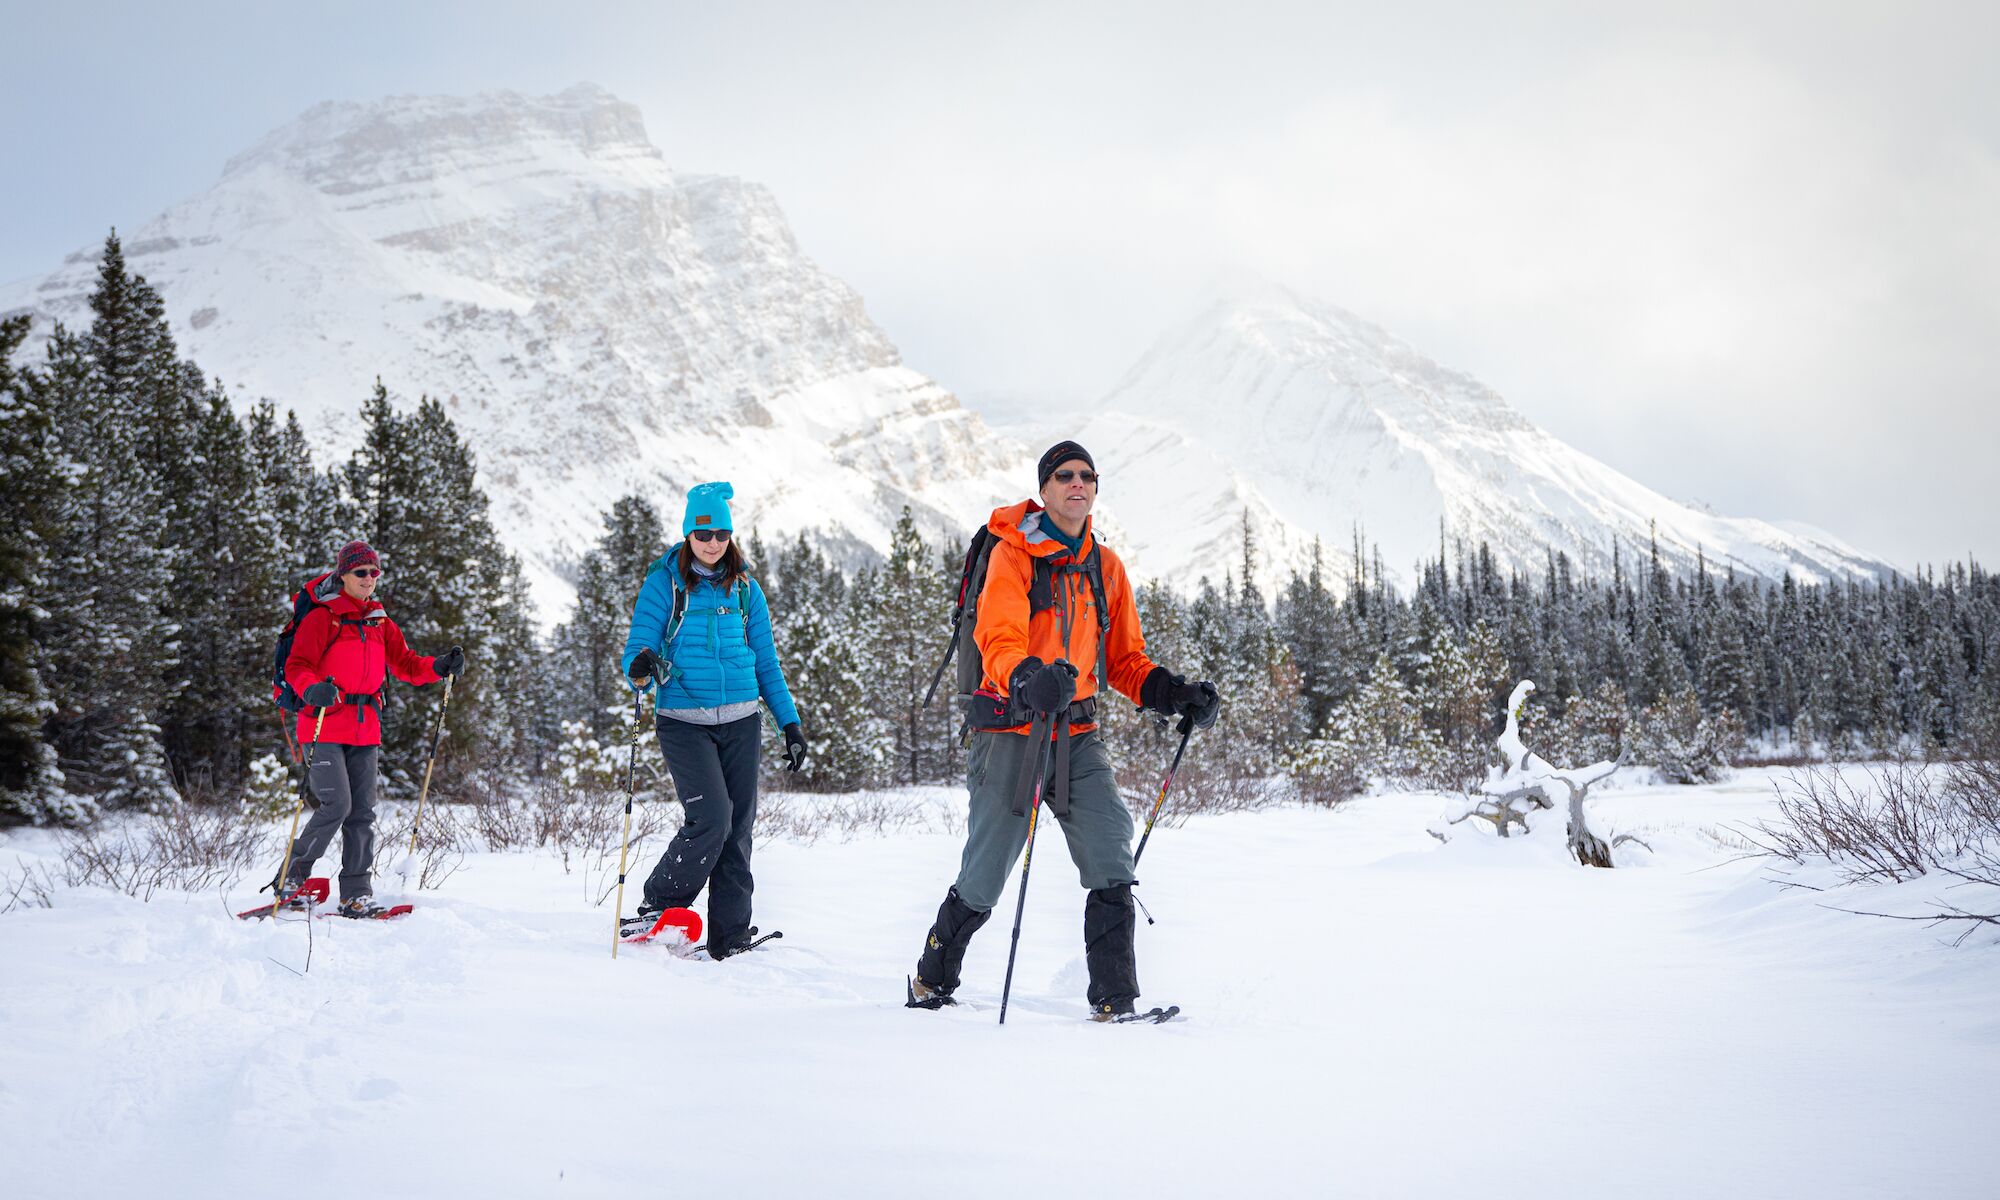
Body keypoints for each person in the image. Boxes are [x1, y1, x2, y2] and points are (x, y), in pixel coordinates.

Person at [908, 441, 1220, 1020]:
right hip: (1011, 733)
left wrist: (1174, 693)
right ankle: (931, 978)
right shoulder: (1013, 555)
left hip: (1077, 735)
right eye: (1064, 476)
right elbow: (997, 637)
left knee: (1110, 851)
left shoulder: (1106, 568)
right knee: (983, 876)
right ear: (1045, 489)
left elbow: (1125, 661)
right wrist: (1027, 677)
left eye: (1087, 476)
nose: (1077, 485)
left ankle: (1114, 1002)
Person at [620, 482, 808, 959]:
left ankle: (730, 938)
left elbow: (766, 662)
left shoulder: (746, 587)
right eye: (704, 533)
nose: (713, 542)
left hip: (743, 719)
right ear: (688, 533)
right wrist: (639, 666)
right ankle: (658, 906)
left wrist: (789, 723)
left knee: (738, 829)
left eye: (722, 533)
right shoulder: (665, 582)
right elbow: (638, 647)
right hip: (683, 718)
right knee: (712, 817)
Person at [279, 540, 465, 917]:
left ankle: (356, 893)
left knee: (362, 811)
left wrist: (440, 665)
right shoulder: (323, 617)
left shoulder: (380, 622)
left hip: (366, 729)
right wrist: (312, 688)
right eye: (360, 572)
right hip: (323, 724)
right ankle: (291, 879)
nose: (368, 579)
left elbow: (407, 665)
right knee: (337, 804)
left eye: (373, 572)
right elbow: (297, 665)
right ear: (343, 575)